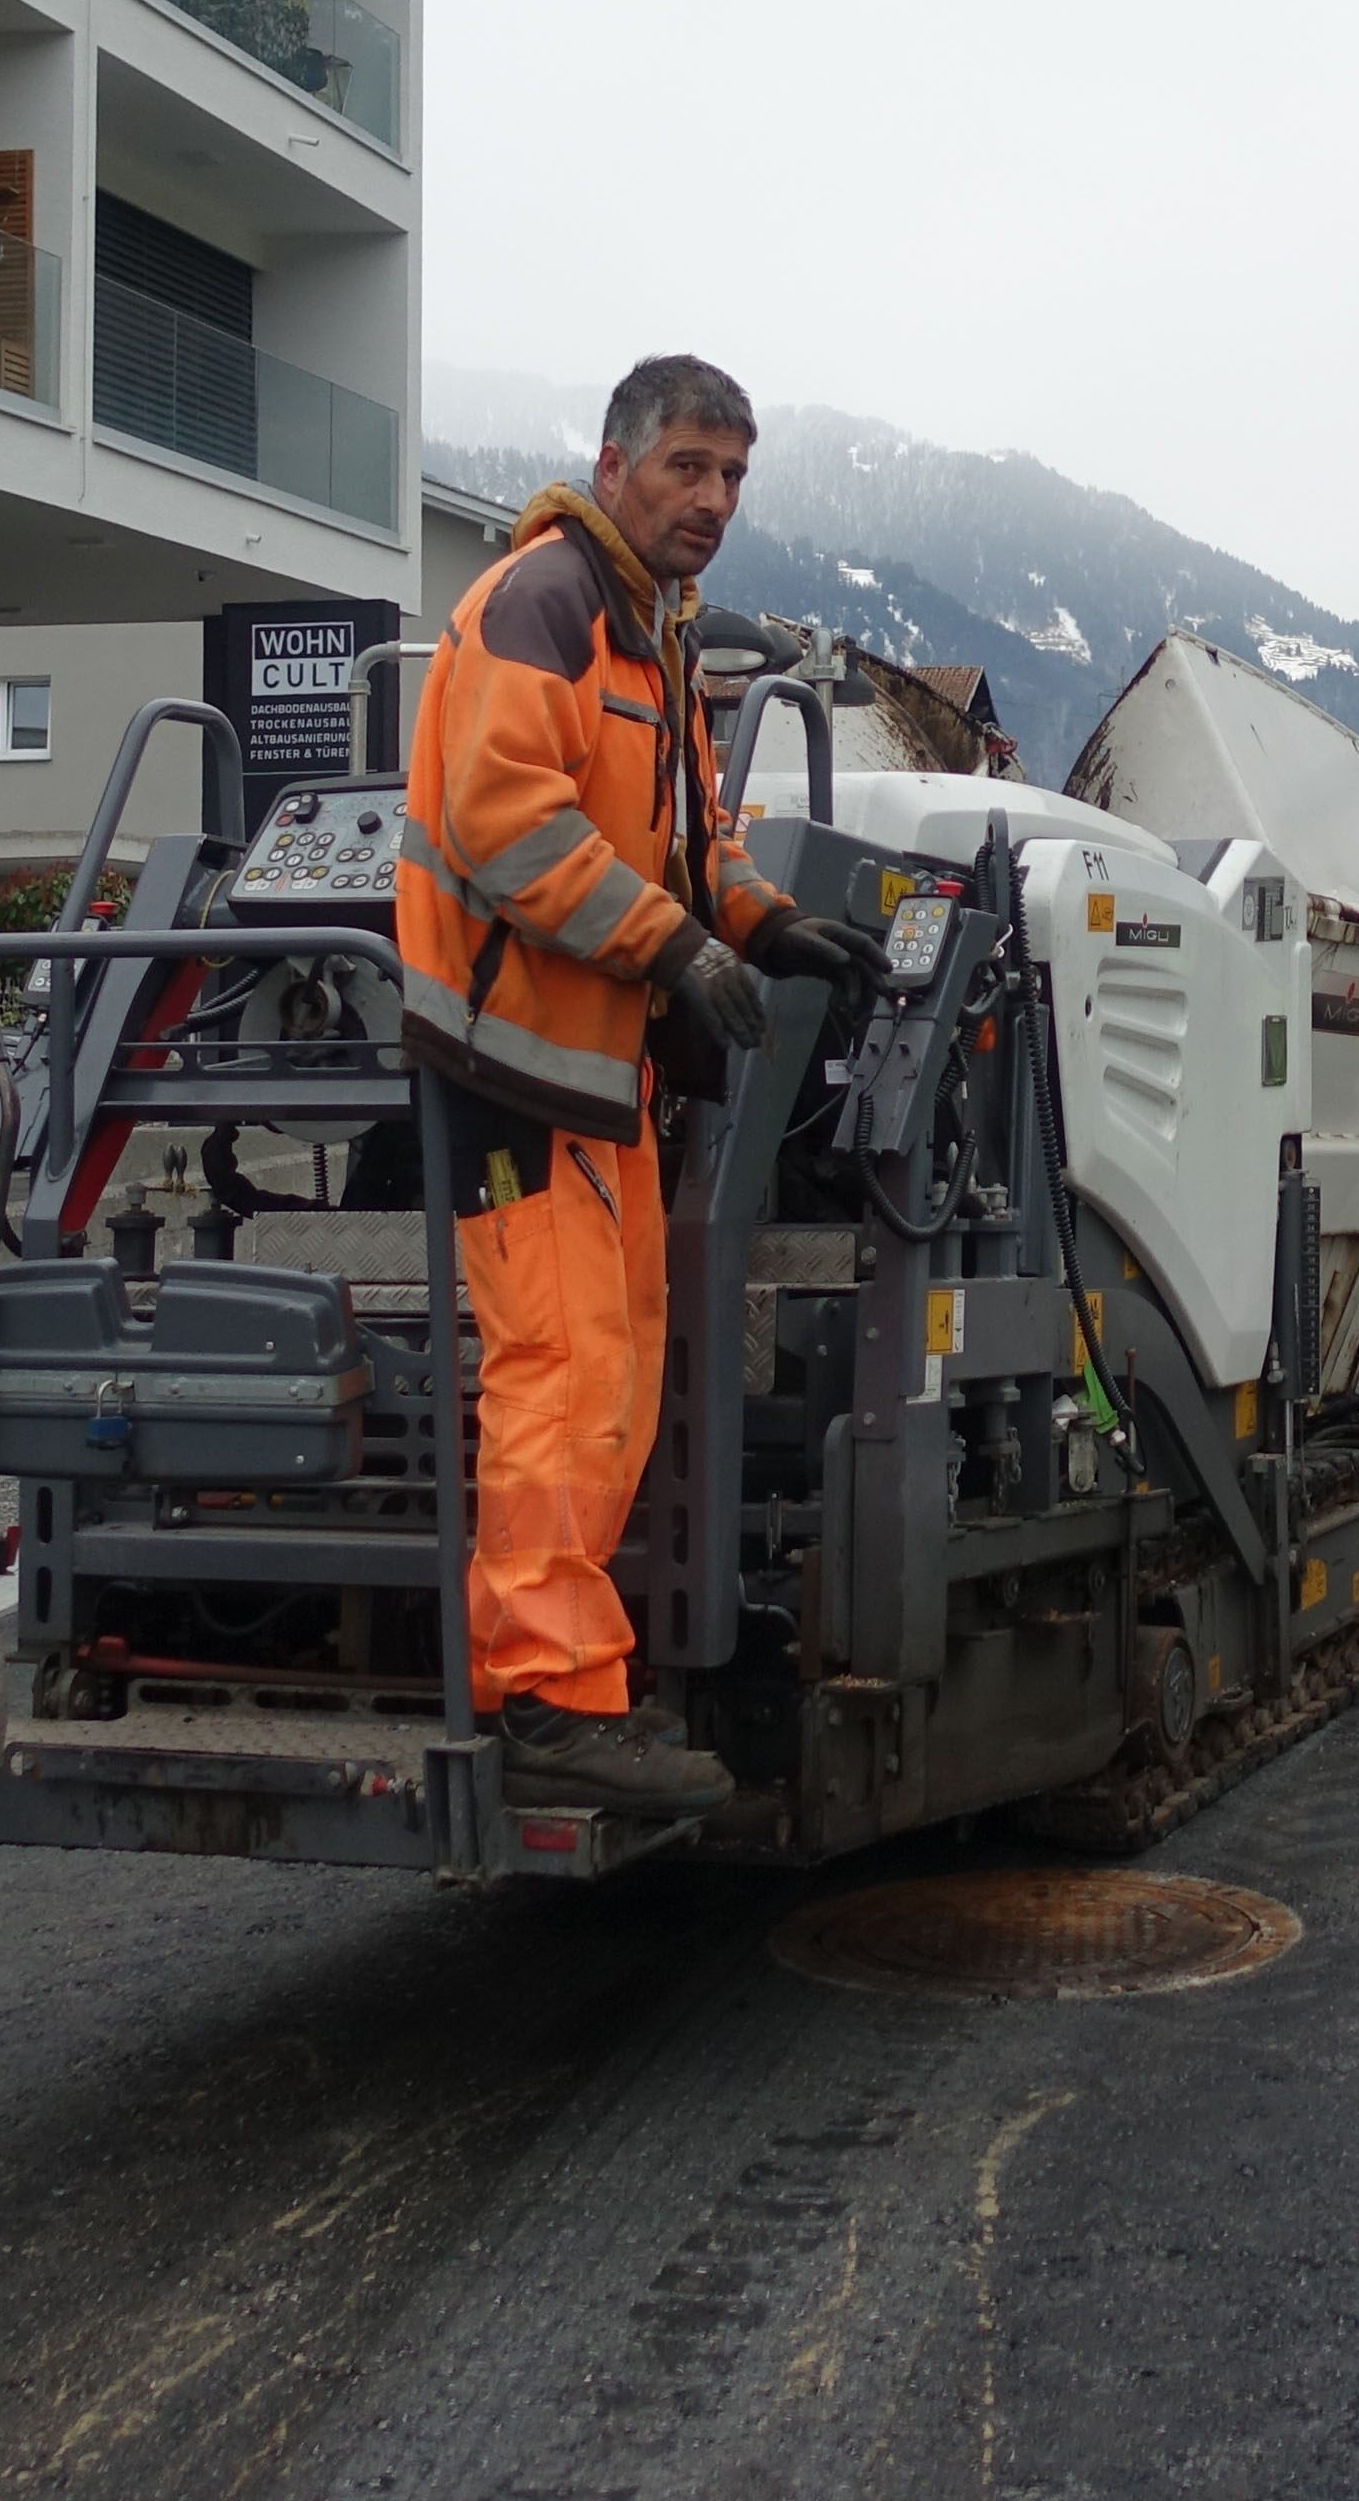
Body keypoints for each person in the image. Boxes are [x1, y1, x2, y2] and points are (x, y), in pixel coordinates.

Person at [394, 353, 890, 1813]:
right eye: (688, 467)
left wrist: (765, 920)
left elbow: (688, 835)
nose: (714, 500)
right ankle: (547, 1696)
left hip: (590, 1071)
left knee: (617, 1368)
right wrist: (675, 947)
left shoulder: (646, 636)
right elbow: (506, 825)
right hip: (510, 1062)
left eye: (733, 475)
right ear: (615, 464)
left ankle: (576, 1675)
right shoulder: (544, 604)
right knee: (560, 1373)